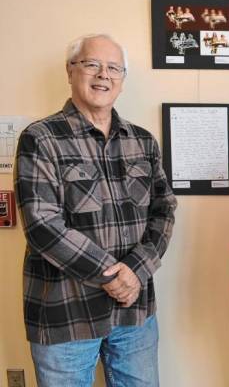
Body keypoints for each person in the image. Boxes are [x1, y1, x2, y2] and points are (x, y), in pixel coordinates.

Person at [14, 34, 177, 387]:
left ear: (122, 79)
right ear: (70, 70)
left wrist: (134, 271)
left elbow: (163, 211)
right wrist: (112, 275)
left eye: (114, 68)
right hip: (64, 314)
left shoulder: (143, 141)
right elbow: (42, 225)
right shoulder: (40, 138)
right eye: (92, 64)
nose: (103, 74)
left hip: (134, 314)